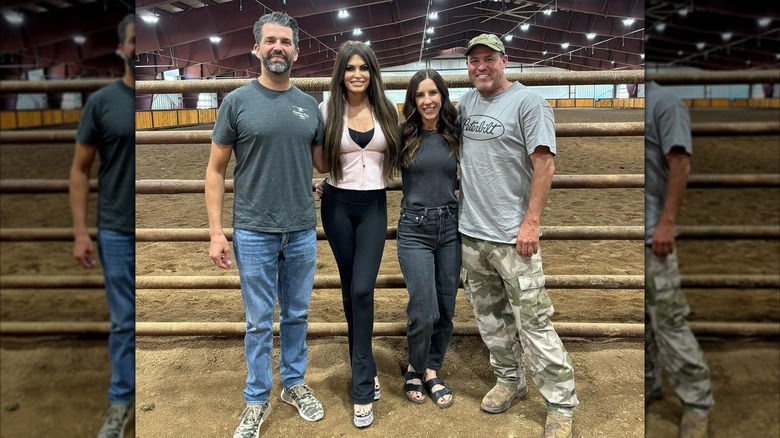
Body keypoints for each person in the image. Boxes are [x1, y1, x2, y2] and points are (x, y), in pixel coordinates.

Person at [205, 11, 325, 437]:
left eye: (286, 41)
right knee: (258, 321)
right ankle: (257, 397)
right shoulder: (236, 102)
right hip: (253, 229)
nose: (279, 48)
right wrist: (217, 231)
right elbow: (216, 170)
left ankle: (293, 384)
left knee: (296, 314)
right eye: (271, 41)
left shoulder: (310, 106)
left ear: (296, 49)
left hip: (300, 229)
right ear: (256, 48)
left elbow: (324, 162)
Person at [457, 34, 579, 438]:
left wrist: (531, 222)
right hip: (472, 233)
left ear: (504, 60)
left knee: (534, 321)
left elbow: (543, 163)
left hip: (513, 236)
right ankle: (510, 379)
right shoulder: (467, 103)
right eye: (474, 61)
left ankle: (560, 402)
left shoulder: (529, 102)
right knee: (489, 316)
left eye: (488, 59)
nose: (480, 67)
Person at [314, 40, 401, 428]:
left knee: (363, 289)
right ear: (340, 73)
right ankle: (363, 369)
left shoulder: (387, 110)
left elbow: (398, 155)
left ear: (372, 72)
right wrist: (319, 184)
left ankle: (362, 385)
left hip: (373, 208)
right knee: (351, 288)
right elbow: (318, 162)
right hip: (337, 206)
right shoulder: (327, 109)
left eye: (363, 68)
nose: (357, 75)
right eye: (349, 68)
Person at [68, 13, 135, 438]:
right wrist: (79, 231)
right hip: (114, 228)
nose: (137, 48)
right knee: (123, 320)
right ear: (121, 48)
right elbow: (79, 170)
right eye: (132, 41)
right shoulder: (102, 102)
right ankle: (121, 399)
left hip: (149, 229)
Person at [645, 80, 714, 438]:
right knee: (646, 319)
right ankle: (650, 381)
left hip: (653, 235)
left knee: (669, 321)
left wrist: (667, 222)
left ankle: (697, 402)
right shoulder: (649, 101)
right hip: (636, 236)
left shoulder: (665, 103)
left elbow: (680, 163)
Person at [396, 69, 460, 409]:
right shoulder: (403, 134)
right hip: (415, 230)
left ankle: (433, 368)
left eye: (433, 93)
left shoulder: (455, 133)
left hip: (451, 227)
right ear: (413, 100)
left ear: (442, 95)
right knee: (424, 308)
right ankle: (414, 366)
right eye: (420, 95)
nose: (427, 100)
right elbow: (366, 162)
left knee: (446, 306)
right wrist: (328, 182)